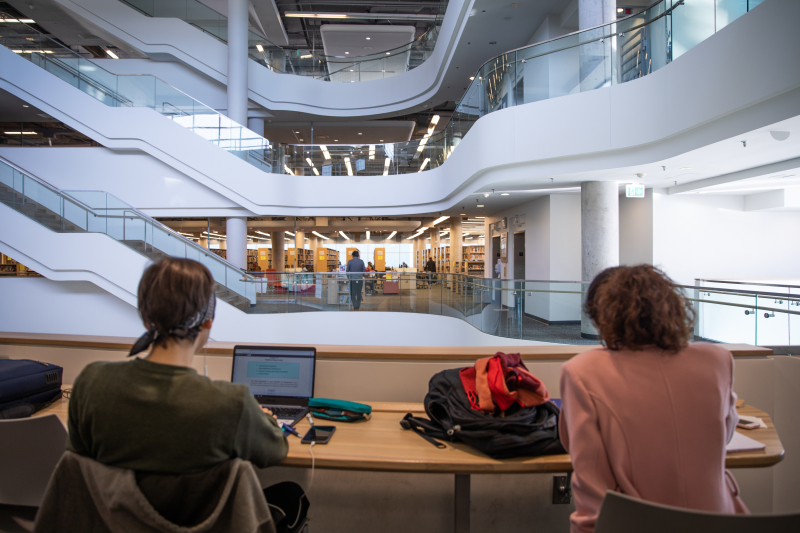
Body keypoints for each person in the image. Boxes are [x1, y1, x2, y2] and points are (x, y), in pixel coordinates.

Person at [66, 258, 303, 528]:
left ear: (146, 319)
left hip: (113, 524)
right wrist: (265, 417)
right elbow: (274, 450)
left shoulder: (90, 383)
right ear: (207, 322)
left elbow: (76, 469)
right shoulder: (230, 403)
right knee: (292, 494)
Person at [559, 265, 747, 533]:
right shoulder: (717, 359)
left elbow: (592, 485)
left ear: (602, 318)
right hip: (719, 519)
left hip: (634, 522)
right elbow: (725, 434)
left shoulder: (582, 371)